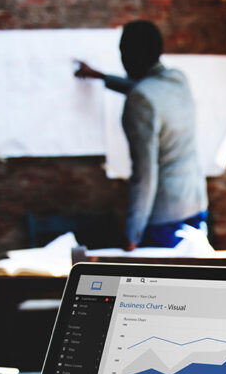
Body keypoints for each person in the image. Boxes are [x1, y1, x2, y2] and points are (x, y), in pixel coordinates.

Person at [75, 20, 208, 251]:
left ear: (129, 57)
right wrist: (100, 76)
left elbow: (145, 174)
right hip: (196, 203)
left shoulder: (141, 99)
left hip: (164, 218)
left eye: (122, 53)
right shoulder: (178, 79)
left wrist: (132, 233)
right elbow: (146, 89)